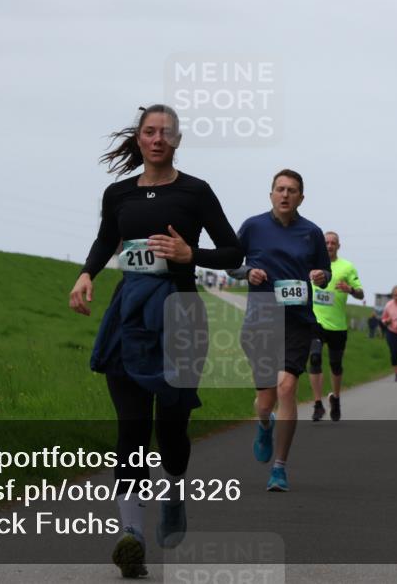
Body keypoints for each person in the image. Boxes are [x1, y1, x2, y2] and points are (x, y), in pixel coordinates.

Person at [68, 105, 242, 578]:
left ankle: (174, 488)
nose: (158, 138)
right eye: (150, 131)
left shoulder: (196, 192)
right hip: (129, 314)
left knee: (170, 428)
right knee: (130, 428)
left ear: (178, 140)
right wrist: (86, 275)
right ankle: (132, 536)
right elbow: (106, 238)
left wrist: (192, 253)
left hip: (180, 316)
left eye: (166, 132)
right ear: (140, 139)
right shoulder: (119, 193)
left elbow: (232, 251)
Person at [228, 169, 331, 492]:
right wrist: (248, 273)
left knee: (286, 388)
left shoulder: (311, 232)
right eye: (280, 189)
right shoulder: (253, 226)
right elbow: (230, 264)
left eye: (292, 190)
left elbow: (325, 272)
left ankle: (280, 467)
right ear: (271, 193)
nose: (285, 195)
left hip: (297, 320)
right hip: (260, 319)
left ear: (301, 197)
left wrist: (319, 276)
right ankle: (263, 423)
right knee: (265, 400)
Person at [308, 231, 364, 421]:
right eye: (326, 242)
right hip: (316, 321)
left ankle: (336, 399)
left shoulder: (347, 267)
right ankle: (317, 404)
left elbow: (361, 294)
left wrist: (350, 289)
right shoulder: (311, 264)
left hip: (338, 325)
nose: (329, 245)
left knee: (335, 365)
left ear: (338, 246)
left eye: (333, 243)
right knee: (314, 358)